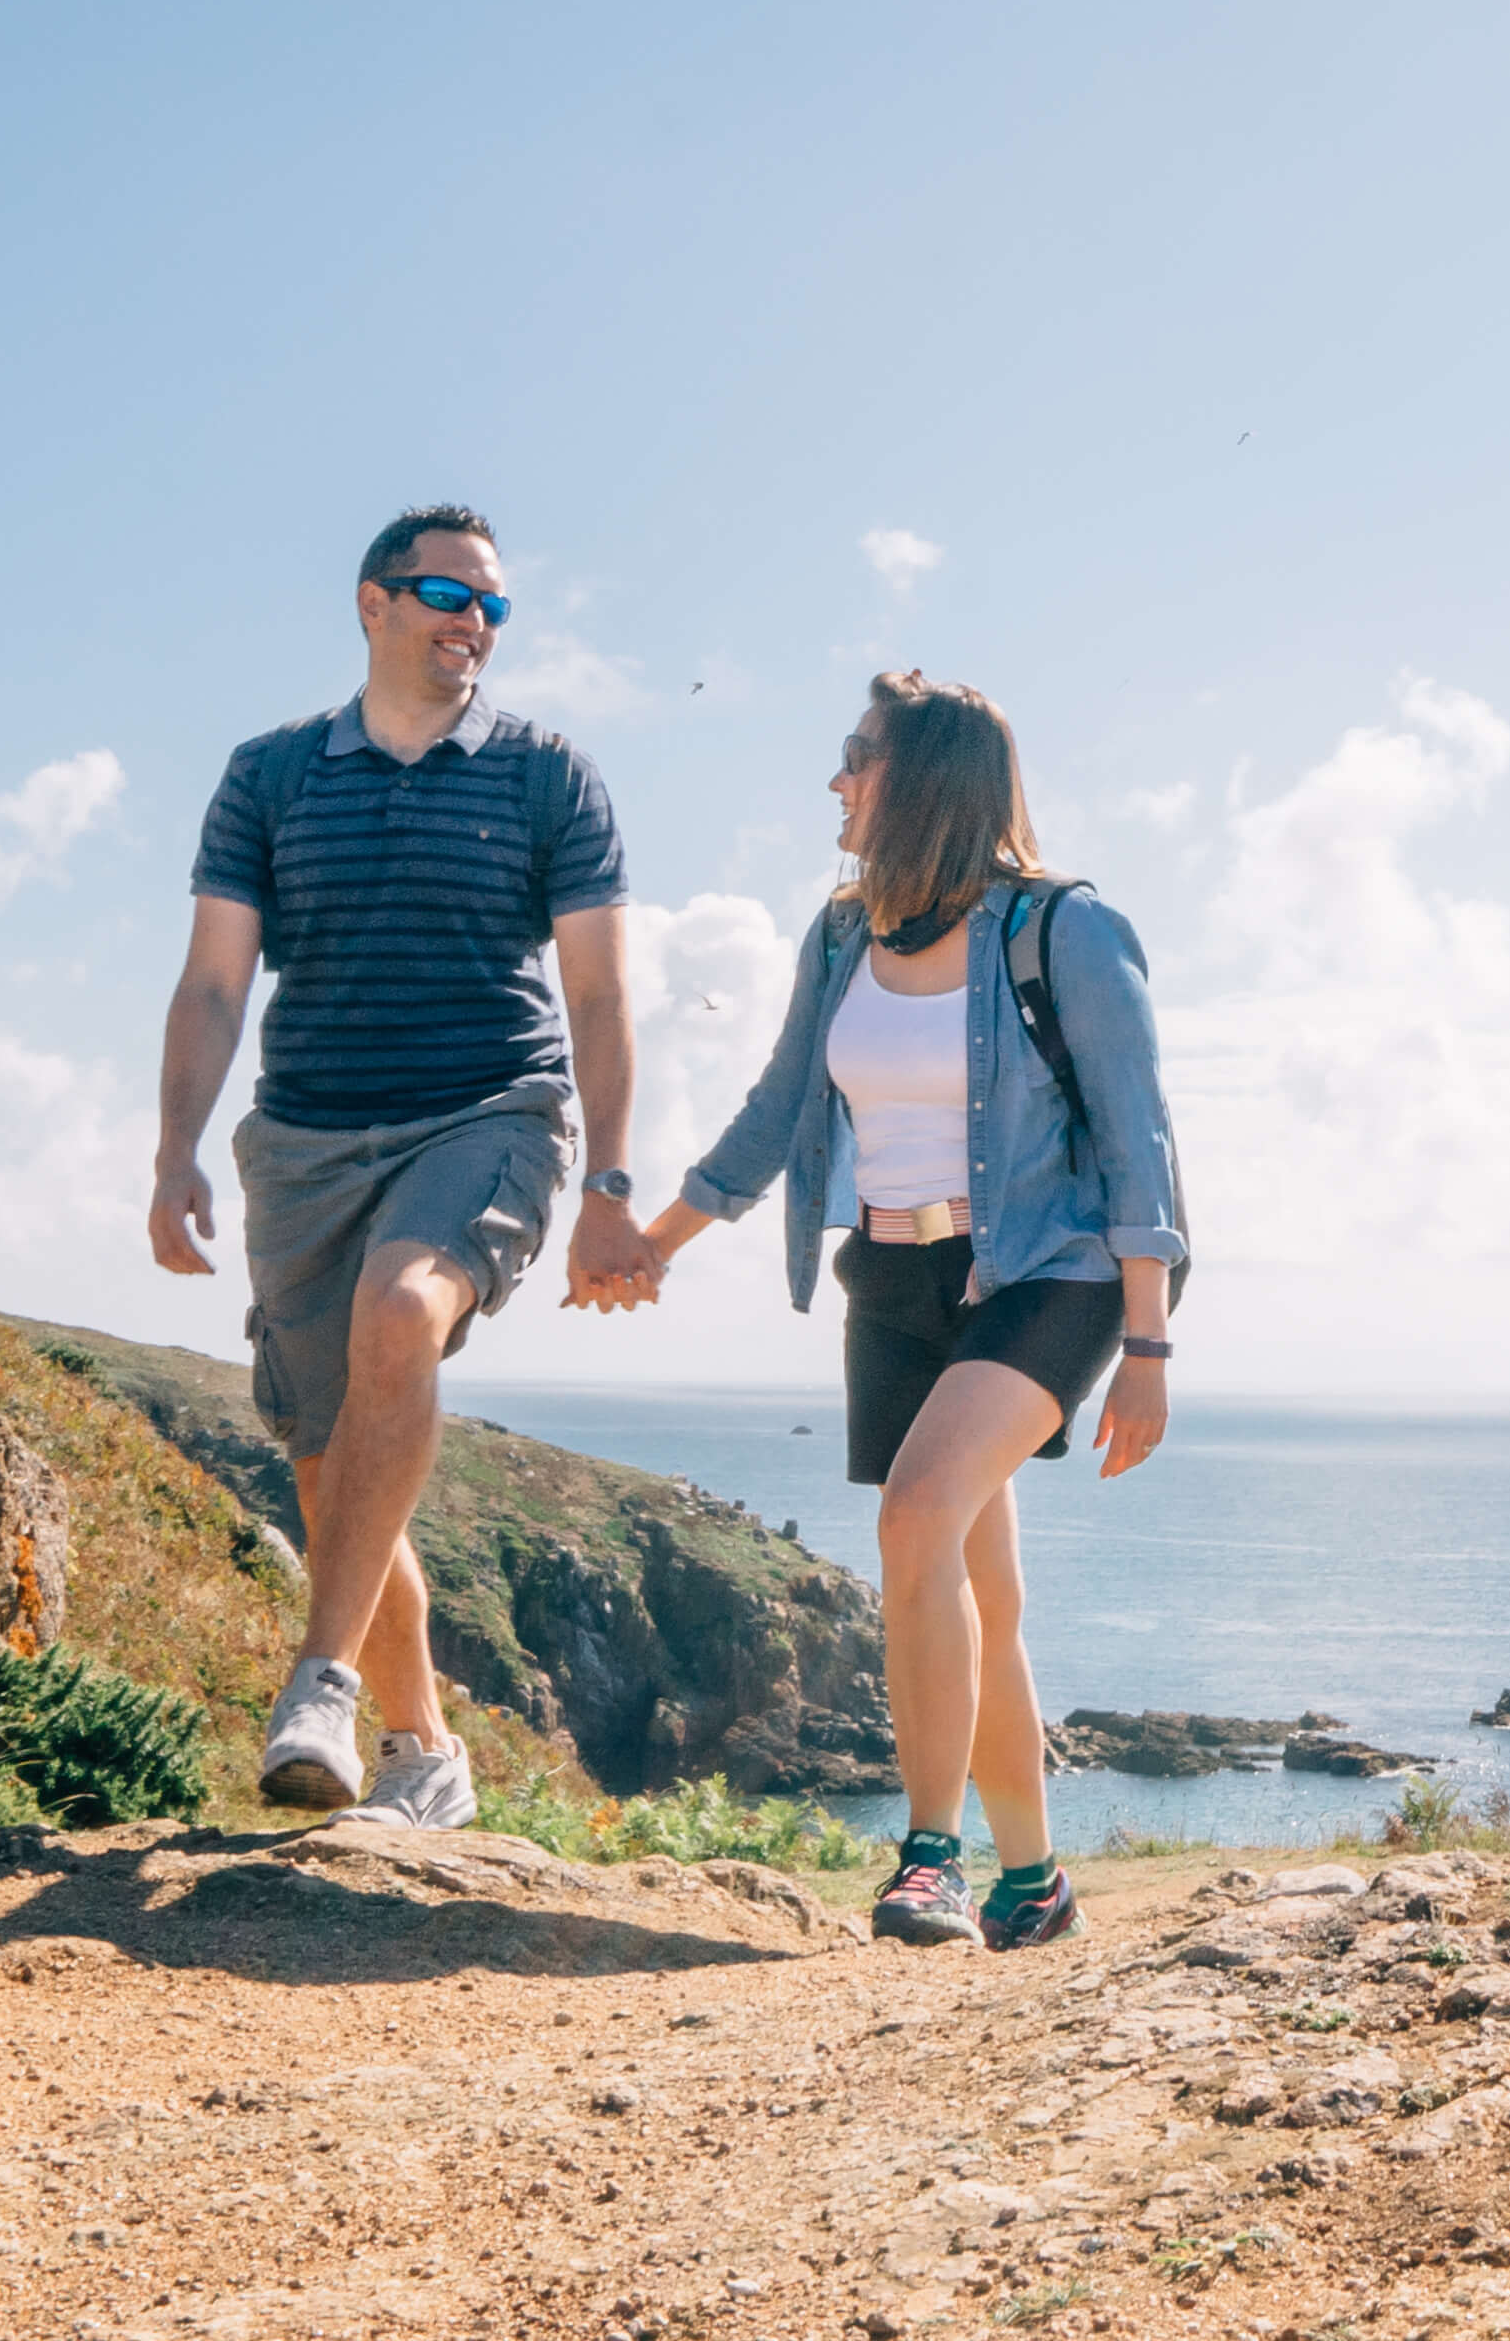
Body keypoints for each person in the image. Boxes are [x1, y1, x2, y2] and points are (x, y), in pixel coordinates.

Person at [623, 673, 1187, 1950]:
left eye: (856, 756)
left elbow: (1140, 1146)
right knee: (971, 1572)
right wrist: (650, 1242)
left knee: (916, 1514)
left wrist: (1146, 1344)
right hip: (890, 1280)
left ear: (925, 777)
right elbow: (776, 1114)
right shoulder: (838, 937)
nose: (836, 780)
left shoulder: (1066, 931)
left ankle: (928, 1855)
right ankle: (1035, 1884)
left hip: (1050, 1275)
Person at [149, 505, 648, 1829]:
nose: (473, 619)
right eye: (447, 591)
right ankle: (424, 1753)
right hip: (305, 1137)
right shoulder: (267, 774)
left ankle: (316, 1682)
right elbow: (212, 979)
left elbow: (596, 996)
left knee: (401, 1314)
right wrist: (172, 1148)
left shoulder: (549, 776)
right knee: (329, 1464)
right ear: (372, 603)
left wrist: (606, 1182)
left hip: (486, 1112)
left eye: (492, 603)